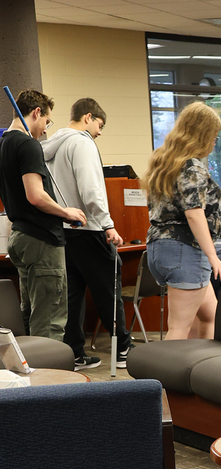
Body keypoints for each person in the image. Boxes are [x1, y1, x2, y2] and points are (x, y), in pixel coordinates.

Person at [41, 97, 134, 370]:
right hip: (90, 228)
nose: (100, 132)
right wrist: (108, 224)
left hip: (63, 229)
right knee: (108, 290)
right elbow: (90, 189)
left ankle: (74, 353)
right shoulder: (82, 142)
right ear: (88, 117)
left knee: (72, 296)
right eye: (100, 125)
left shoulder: (50, 145)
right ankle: (123, 349)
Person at [0, 89, 86, 344]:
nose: (45, 130)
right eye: (46, 122)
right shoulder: (27, 143)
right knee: (49, 318)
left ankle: (36, 378)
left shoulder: (4, 142)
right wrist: (66, 212)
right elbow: (36, 196)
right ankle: (50, 381)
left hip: (20, 236)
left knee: (32, 312)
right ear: (37, 112)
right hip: (40, 239)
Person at [145, 102, 221, 340]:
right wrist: (213, 257)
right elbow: (194, 213)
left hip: (160, 247)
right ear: (200, 135)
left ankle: (200, 369)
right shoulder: (191, 166)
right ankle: (167, 377)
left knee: (210, 315)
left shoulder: (164, 162)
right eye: (213, 136)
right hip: (184, 250)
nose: (214, 142)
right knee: (180, 327)